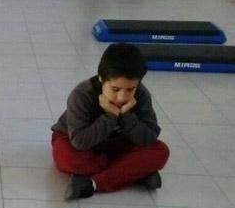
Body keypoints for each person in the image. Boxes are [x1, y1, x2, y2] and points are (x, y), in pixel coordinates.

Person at [50, 43, 169, 200]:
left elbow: (149, 137)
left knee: (160, 151)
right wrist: (110, 116)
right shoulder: (82, 94)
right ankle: (131, 172)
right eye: (115, 90)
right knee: (67, 157)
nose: (122, 97)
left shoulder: (142, 94)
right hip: (78, 142)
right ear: (101, 79)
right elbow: (79, 141)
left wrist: (126, 116)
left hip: (118, 143)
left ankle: (92, 183)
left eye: (130, 89)